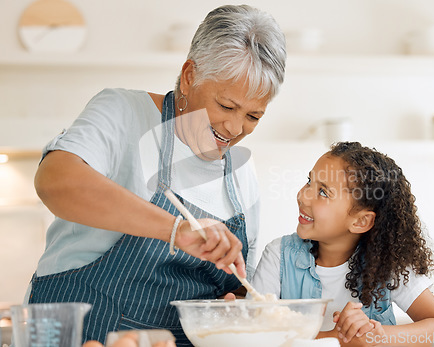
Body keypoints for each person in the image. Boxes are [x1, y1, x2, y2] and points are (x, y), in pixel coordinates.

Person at [27, 4, 286, 346]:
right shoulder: (124, 112)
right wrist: (176, 230)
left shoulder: (241, 172)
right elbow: (56, 182)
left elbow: (238, 284)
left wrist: (235, 308)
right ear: (191, 75)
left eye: (253, 116)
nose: (235, 128)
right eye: (226, 106)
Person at [250, 142, 434, 345]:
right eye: (309, 181)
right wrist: (337, 338)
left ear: (360, 221)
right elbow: (253, 334)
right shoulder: (278, 256)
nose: (303, 196)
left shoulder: (387, 264)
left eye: (323, 192)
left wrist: (378, 337)